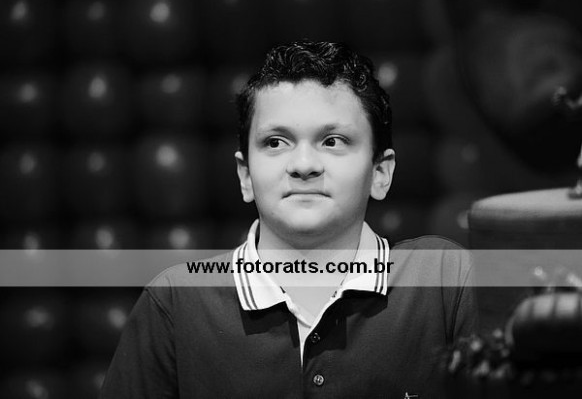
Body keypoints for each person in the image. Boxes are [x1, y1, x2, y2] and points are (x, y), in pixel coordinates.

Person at [100, 40, 477, 398]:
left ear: (381, 172)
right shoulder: (176, 303)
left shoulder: (445, 283)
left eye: (332, 141)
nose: (303, 165)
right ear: (245, 176)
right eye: (276, 142)